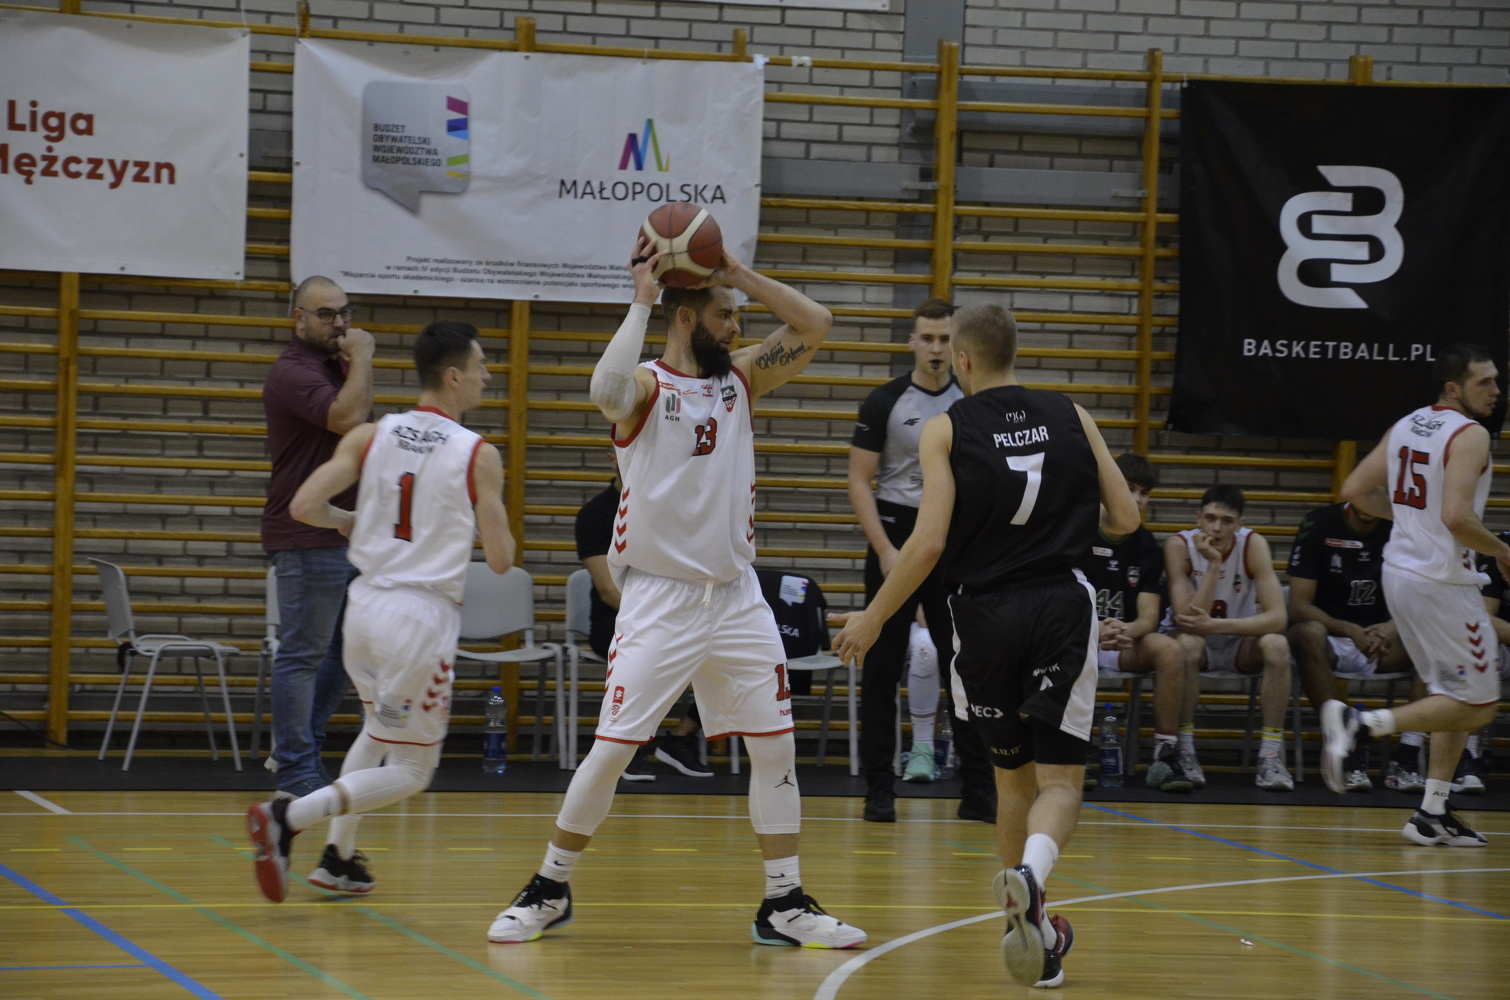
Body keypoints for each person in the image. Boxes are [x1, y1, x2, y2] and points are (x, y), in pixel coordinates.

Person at [486, 238, 865, 949]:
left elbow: (815, 323)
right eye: (726, 314)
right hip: (660, 600)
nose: (737, 326)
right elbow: (604, 392)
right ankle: (549, 887)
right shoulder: (646, 386)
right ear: (687, 319)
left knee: (775, 748)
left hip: (736, 597)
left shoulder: (740, 379)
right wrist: (643, 296)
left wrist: (739, 274)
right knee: (611, 752)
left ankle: (784, 903)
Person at [835, 303, 1140, 989]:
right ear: (1013, 353)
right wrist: (1066, 519)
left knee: (1012, 781)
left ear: (963, 359)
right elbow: (1125, 517)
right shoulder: (1071, 413)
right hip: (1059, 605)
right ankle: (1031, 876)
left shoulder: (945, 427)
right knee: (1060, 783)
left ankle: (1030, 935)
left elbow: (929, 542)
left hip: (981, 615)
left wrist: (874, 618)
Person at [246, 321, 515, 902]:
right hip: (419, 621)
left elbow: (304, 504)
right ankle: (288, 817)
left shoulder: (372, 435)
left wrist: (348, 521)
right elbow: (500, 559)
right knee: (413, 770)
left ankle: (338, 860)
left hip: (363, 610)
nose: (488, 375)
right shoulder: (478, 454)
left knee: (377, 729)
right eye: (481, 366)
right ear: (453, 376)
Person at [1329, 343, 1505, 847]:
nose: (1496, 391)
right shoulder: (1470, 434)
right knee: (1480, 705)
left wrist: (1410, 517)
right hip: (1442, 582)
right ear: (1453, 388)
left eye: (1496, 380)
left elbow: (1354, 490)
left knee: (1451, 696)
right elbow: (1457, 519)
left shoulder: (1407, 424)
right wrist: (1502, 551)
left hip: (1400, 573)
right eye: (1484, 382)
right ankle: (1360, 724)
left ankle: (1432, 811)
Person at [846, 297, 996, 824]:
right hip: (895, 534)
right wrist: (886, 550)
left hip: (952, 541)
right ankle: (879, 788)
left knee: (964, 666)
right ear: (912, 342)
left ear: (958, 346)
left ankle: (979, 789)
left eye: (944, 339)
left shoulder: (972, 401)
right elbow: (858, 480)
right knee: (882, 666)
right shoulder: (885, 400)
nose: (935, 348)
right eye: (927, 338)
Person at [261, 275, 375, 798]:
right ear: (299, 319)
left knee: (347, 654)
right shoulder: (294, 371)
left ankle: (300, 747)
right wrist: (365, 355)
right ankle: (295, 768)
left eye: (344, 313)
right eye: (326, 314)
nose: (339, 323)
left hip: (346, 531)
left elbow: (360, 426)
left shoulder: (336, 367)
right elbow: (349, 418)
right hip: (307, 534)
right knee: (303, 654)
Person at [573, 451, 711, 781]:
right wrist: (661, 619)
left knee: (722, 647)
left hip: (673, 612)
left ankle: (681, 737)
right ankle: (628, 744)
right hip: (617, 618)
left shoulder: (669, 509)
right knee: (651, 647)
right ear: (613, 459)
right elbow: (608, 590)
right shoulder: (595, 513)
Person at [1285, 500, 1425, 793]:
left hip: (1382, 641)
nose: (1370, 503)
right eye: (1365, 494)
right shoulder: (1318, 523)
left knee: (1436, 641)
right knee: (1308, 633)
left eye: (1378, 495)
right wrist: (1349, 629)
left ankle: (1407, 756)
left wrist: (1391, 627)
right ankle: (1346, 746)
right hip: (1330, 637)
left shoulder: (1403, 526)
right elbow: (1299, 607)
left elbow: (1421, 594)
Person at [1162, 485, 1295, 792]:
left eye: (1226, 521)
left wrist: (1216, 626)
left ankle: (1270, 756)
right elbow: (1187, 617)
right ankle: (1185, 750)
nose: (1216, 528)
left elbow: (1278, 618)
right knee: (1187, 645)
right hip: (1196, 642)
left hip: (1236, 642)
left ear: (1240, 524)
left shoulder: (1253, 544)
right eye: (1210, 518)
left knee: (1277, 645)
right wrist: (1214, 565)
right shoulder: (1178, 545)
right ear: (1198, 518)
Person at [1079, 454, 1192, 792]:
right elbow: (1057, 602)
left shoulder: (1145, 545)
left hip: (1123, 641)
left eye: (1145, 493)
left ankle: (1164, 755)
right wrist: (1093, 630)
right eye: (1130, 489)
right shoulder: (1077, 531)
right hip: (1077, 639)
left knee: (1170, 650)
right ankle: (1073, 753)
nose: (1138, 499)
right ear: (1108, 488)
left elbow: (1149, 615)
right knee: (1059, 642)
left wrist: (1128, 630)